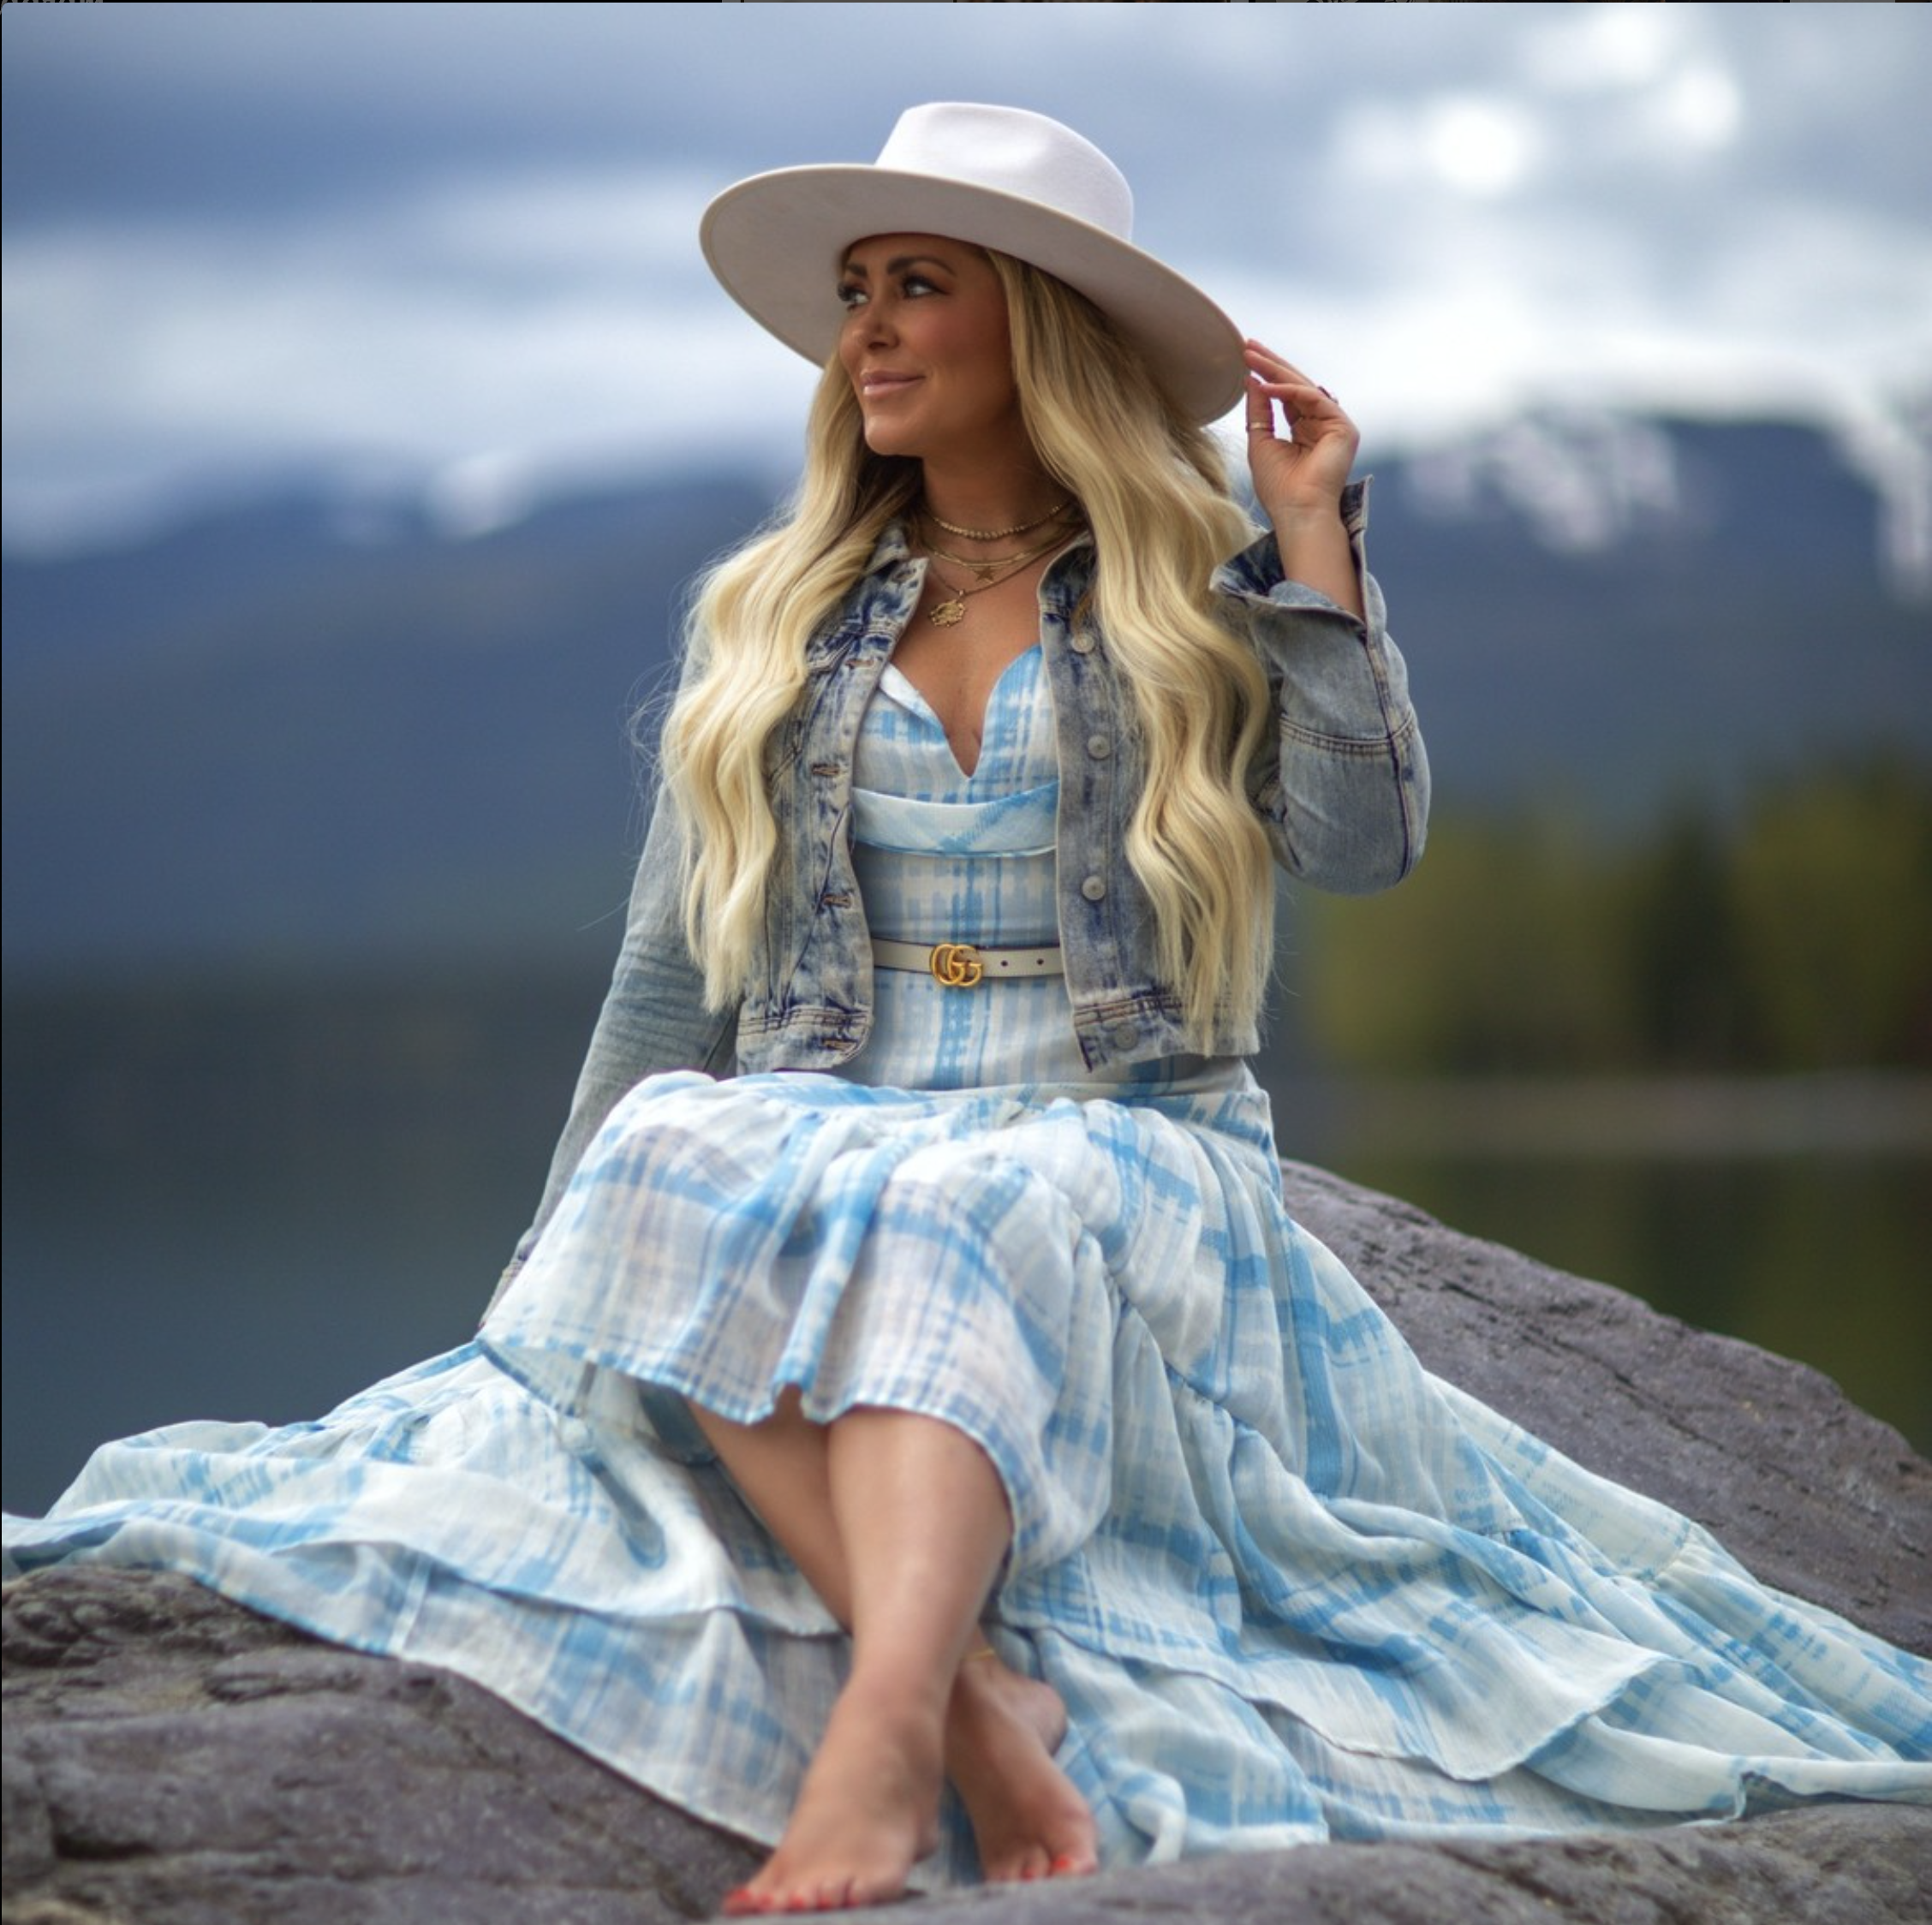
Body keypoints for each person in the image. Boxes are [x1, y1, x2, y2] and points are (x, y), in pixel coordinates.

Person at [5, 103, 1928, 1919]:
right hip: (832, 1118)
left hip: (1117, 1145)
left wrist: (1317, 548)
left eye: (916, 284)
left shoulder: (1189, 593)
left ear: (1042, 326)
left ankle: (879, 1715)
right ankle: (981, 1713)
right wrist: (568, 1279)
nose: (867, 331)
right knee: (665, 1147)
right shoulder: (779, 610)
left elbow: (1360, 844)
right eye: (857, 292)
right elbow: (675, 979)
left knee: (961, 1205)